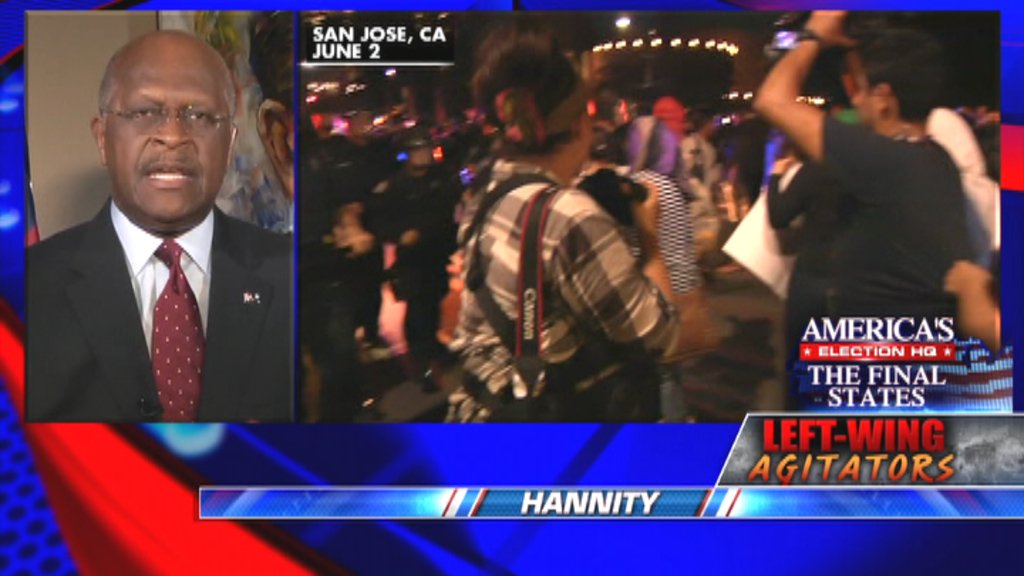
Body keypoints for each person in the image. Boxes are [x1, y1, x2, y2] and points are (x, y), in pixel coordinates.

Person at [27, 30, 292, 422]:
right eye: (144, 113)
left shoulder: (292, 275)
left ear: (230, 143)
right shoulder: (26, 290)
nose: (172, 136)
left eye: (200, 116)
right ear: (102, 138)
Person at [446, 21, 681, 422]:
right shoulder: (570, 215)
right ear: (576, 124)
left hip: (483, 416)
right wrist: (650, 238)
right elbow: (661, 337)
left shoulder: (488, 193)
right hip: (549, 430)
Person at [753, 11, 971, 319]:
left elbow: (771, 100)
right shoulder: (935, 157)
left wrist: (812, 36)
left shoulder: (884, 161)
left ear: (883, 98)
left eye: (863, 90)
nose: (855, 101)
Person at [363, 131, 460, 392]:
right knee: (418, 313)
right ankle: (424, 366)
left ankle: (436, 352)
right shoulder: (394, 187)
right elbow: (378, 223)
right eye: (418, 151)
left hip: (437, 253)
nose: (424, 155)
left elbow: (448, 212)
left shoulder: (440, 179)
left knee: (435, 302)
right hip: (412, 260)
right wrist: (401, 235)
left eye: (426, 150)